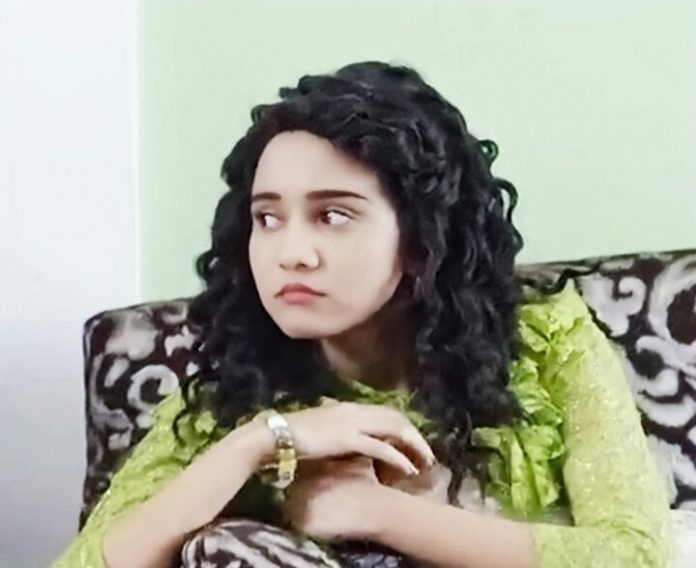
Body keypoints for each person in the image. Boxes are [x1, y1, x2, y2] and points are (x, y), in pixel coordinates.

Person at [55, 61, 673, 568]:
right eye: (267, 218)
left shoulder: (546, 341)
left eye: (333, 215)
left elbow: (638, 557)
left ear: (422, 236)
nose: (290, 253)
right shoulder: (234, 393)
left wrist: (376, 512)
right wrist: (259, 443)